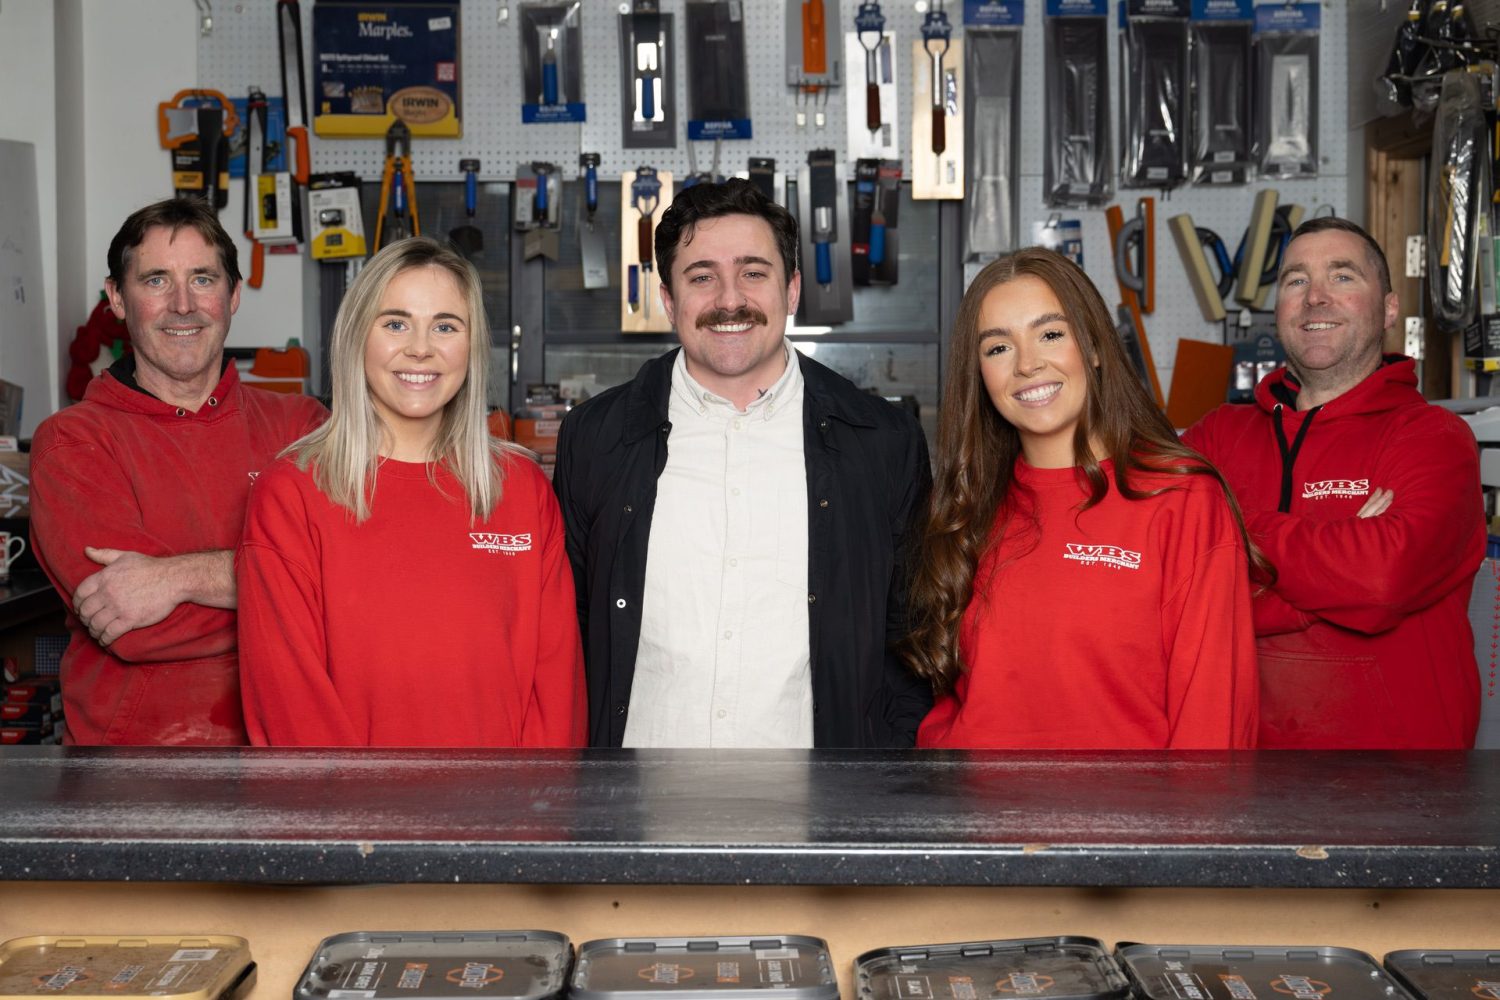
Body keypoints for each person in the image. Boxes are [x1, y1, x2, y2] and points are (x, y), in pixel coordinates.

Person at [553, 178, 932, 748]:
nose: (730, 300)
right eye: (702, 277)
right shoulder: (596, 438)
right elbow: (569, 634)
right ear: (669, 300)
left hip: (819, 814)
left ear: (793, 289)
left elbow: (912, 639)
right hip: (636, 810)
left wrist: (882, 787)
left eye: (754, 273)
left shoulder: (881, 440)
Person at [903, 247, 1260, 749]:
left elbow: (1213, 723)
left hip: (1119, 825)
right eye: (998, 348)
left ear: (1092, 346)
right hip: (979, 820)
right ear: (979, 374)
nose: (1028, 364)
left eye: (1051, 334)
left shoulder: (1181, 499)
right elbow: (964, 703)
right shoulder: (968, 509)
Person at [237, 237, 585, 747]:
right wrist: (360, 829)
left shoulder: (520, 490)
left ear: (471, 346)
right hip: (356, 823)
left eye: (445, 326)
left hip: (503, 819)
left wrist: (532, 818)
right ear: (358, 337)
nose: (420, 348)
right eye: (396, 323)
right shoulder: (291, 493)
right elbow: (290, 709)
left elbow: (557, 693)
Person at [29, 198, 326, 745]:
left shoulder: (303, 427)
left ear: (233, 294)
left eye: (203, 279)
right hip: (136, 771)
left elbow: (356, 580)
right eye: (157, 280)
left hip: (291, 752)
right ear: (118, 297)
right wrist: (300, 595)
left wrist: (176, 578)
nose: (184, 305)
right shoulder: (73, 442)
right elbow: (135, 629)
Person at [1183, 217, 1484, 749]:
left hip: (1400, 787)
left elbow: (1380, 579)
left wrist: (1235, 537)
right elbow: (1168, 586)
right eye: (1296, 280)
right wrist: (1324, 577)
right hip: (1237, 777)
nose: (1315, 297)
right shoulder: (1217, 436)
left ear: (1389, 308)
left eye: (1342, 277)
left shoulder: (1434, 439)